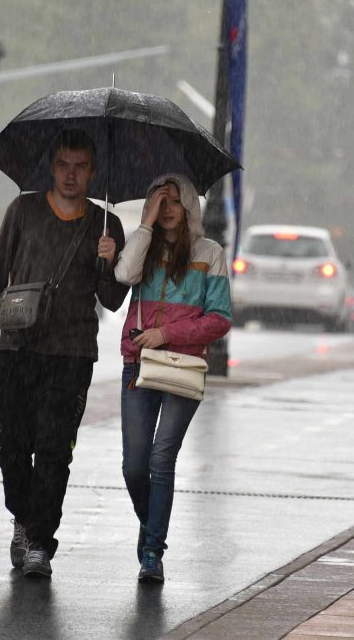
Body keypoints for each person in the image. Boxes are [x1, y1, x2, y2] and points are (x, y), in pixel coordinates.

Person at [0, 129, 129, 579]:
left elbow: (110, 300)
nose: (71, 175)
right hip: (18, 350)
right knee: (13, 447)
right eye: (64, 165)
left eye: (81, 167)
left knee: (54, 451)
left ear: (93, 172)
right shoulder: (23, 210)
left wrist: (110, 261)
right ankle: (24, 518)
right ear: (52, 168)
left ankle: (39, 545)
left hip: (71, 356)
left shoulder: (105, 225)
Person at [114, 173, 231, 583]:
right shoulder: (142, 245)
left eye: (174, 202)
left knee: (161, 459)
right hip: (139, 365)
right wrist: (143, 226)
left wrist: (167, 333)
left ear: (189, 208)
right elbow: (123, 276)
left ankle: (151, 553)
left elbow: (219, 318)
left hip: (183, 367)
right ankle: (152, 529)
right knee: (133, 466)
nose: (166, 210)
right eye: (158, 201)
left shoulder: (209, 252)